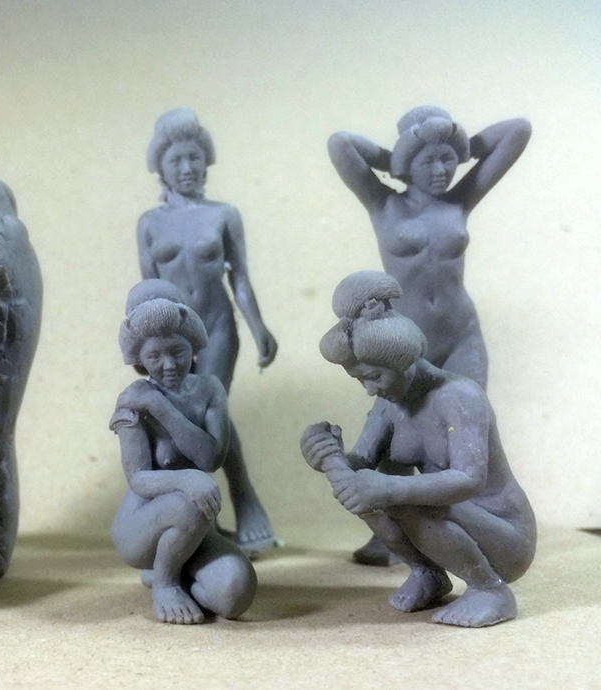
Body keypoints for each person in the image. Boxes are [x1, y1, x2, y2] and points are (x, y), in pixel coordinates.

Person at [328, 106, 530, 565]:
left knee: (465, 432)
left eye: (447, 159)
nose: (441, 170)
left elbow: (518, 131)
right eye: (428, 160)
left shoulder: (459, 200)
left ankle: (470, 532)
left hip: (461, 336)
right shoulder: (384, 203)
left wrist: (456, 143)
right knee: (392, 430)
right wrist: (396, 157)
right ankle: (394, 535)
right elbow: (341, 145)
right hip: (400, 342)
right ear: (406, 163)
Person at [300, 271, 536, 627]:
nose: (368, 389)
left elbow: (469, 480)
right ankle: (428, 573)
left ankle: (490, 589)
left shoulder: (460, 397)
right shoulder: (388, 403)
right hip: (450, 524)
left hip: (504, 536)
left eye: (373, 376)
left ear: (403, 360)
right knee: (373, 496)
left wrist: (389, 487)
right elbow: (361, 465)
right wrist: (327, 454)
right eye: (359, 379)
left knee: (401, 498)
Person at [137, 108, 279, 554]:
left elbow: (240, 279)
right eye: (176, 159)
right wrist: (140, 343)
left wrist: (258, 328)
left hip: (215, 328)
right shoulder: (149, 223)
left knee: (208, 408)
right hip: (170, 339)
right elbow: (147, 289)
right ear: (161, 167)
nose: (186, 167)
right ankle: (204, 515)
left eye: (194, 157)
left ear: (206, 161)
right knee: (181, 415)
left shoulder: (224, 215)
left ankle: (242, 501)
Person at [110, 280, 256, 624]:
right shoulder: (132, 401)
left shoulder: (209, 389)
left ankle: (176, 565)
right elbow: (139, 479)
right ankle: (165, 581)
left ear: (193, 345)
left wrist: (160, 408)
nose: (168, 365)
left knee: (236, 591)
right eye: (154, 356)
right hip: (142, 525)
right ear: (139, 359)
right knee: (191, 499)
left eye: (177, 351)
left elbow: (210, 459)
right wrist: (186, 481)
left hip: (196, 525)